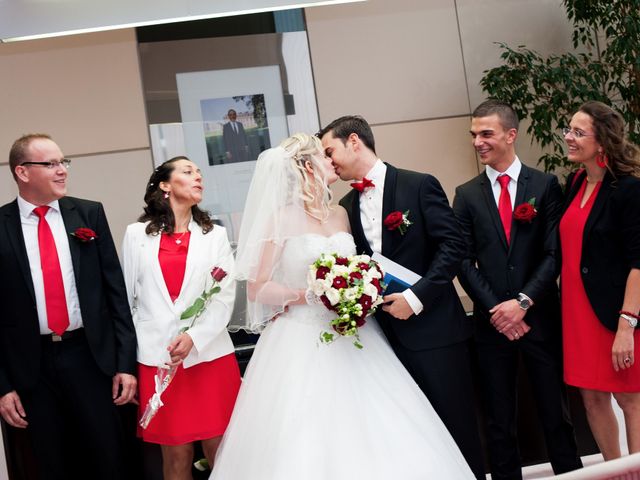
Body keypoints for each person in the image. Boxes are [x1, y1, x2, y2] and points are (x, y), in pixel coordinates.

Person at [209, 133, 475, 479]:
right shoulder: (280, 218)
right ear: (306, 166)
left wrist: (357, 289)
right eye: (323, 156)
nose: (331, 161)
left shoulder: (340, 213)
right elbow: (258, 288)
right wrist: (309, 294)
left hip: (358, 335)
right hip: (302, 337)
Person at [319, 116, 485, 479]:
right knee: (415, 442)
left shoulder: (418, 184)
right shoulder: (345, 206)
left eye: (330, 152)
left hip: (437, 334)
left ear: (354, 141)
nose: (329, 163)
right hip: (386, 344)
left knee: (457, 430)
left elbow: (454, 246)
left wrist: (417, 296)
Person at [452, 100, 582, 479]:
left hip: (539, 318)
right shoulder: (466, 193)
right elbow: (462, 260)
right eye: (474, 135)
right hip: (493, 327)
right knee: (498, 421)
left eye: (486, 133)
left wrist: (523, 302)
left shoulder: (545, 186)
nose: (478, 141)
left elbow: (554, 253)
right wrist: (499, 310)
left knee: (556, 416)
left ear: (511, 134)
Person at [0, 133, 137, 480]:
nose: (62, 171)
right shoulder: (1, 226)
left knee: (109, 459)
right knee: (52, 465)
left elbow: (115, 294)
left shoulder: (88, 213)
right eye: (51, 164)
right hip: (32, 369)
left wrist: (125, 364)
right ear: (22, 171)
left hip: (90, 358)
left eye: (64, 162)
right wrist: (2, 386)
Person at [122, 156, 241, 479]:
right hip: (158, 358)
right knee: (176, 457)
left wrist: (194, 337)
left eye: (200, 173)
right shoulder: (135, 235)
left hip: (210, 356)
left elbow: (223, 295)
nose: (198, 177)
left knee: (222, 453)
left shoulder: (214, 235)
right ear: (165, 184)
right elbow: (127, 298)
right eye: (188, 172)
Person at [560, 101, 640, 460]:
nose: (568, 137)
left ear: (602, 142)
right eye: (569, 129)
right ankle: (616, 471)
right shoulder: (575, 182)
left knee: (629, 398)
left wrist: (627, 325)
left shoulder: (628, 190)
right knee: (592, 398)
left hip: (616, 313)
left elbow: (639, 263)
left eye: (578, 132)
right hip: (577, 313)